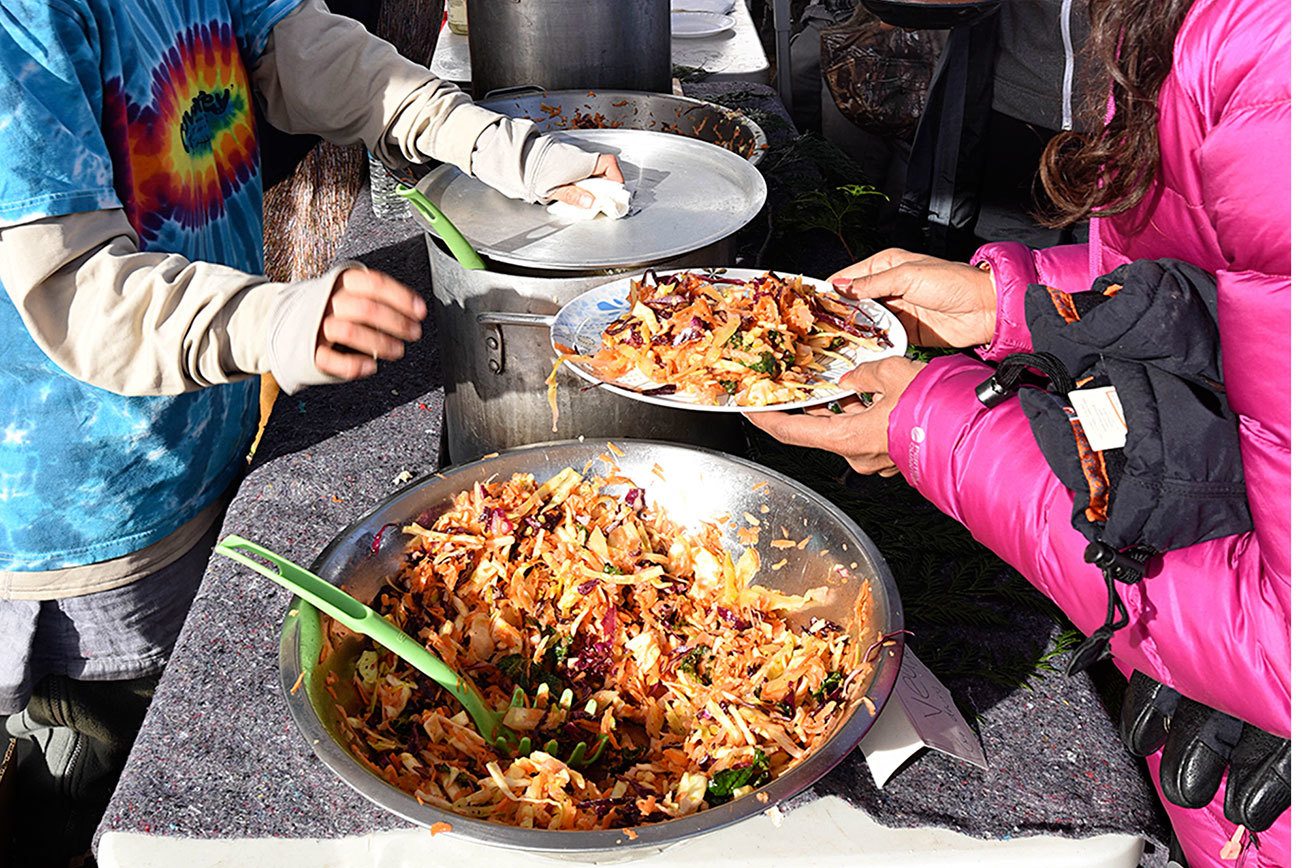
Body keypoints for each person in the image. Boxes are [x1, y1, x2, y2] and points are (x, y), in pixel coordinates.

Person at [0, 0, 621, 863]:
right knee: (99, 750)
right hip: (84, 509)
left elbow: (306, 51)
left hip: (194, 437)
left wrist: (492, 143)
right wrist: (269, 323)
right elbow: (72, 286)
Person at [750, 0, 1289, 864]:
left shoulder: (1274, 58)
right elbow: (1228, 293)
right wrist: (1024, 308)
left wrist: (935, 426)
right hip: (1206, 681)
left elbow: (1285, 642)